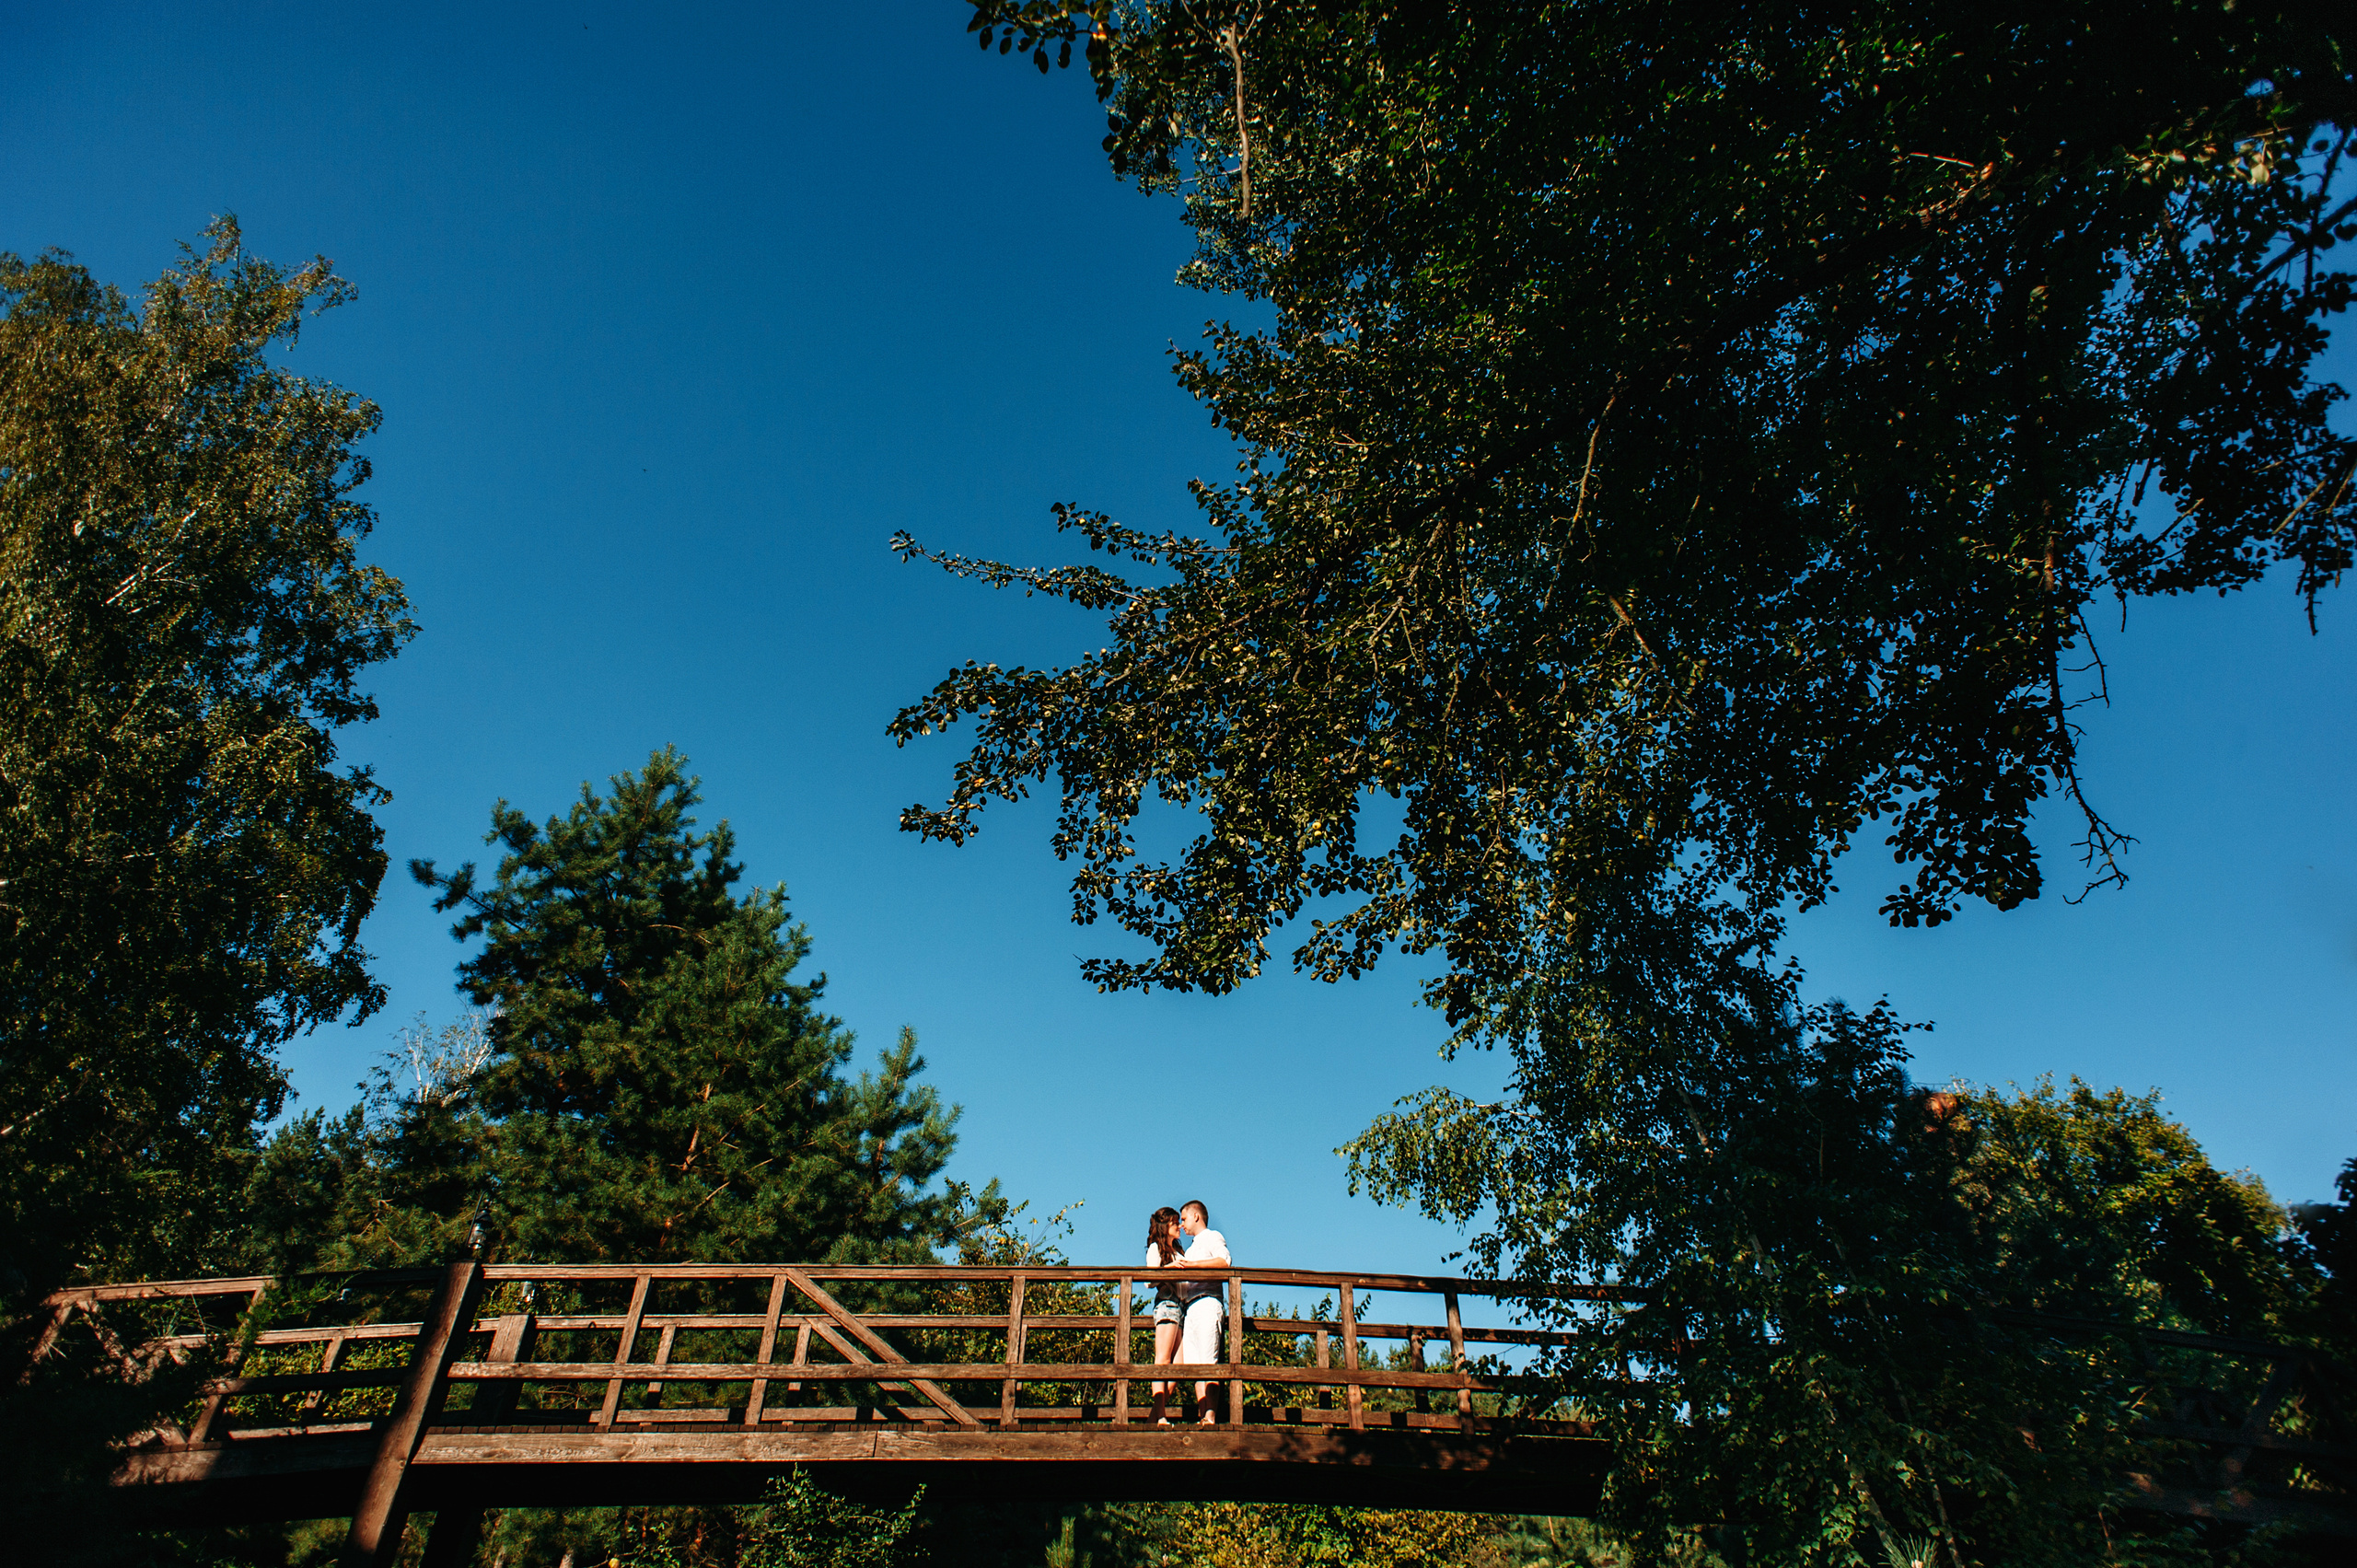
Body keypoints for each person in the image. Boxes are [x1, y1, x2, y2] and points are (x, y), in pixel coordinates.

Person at [1174, 1199, 1230, 1424]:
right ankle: (1202, 1414)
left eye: (1184, 1219)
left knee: (1208, 1360)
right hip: (1191, 1308)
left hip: (1208, 1303)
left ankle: (1211, 1416)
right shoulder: (1192, 1247)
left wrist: (1191, 1266)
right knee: (1195, 1365)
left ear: (1196, 1216)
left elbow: (1224, 1261)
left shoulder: (1211, 1237)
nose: (1181, 1225)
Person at [1143, 1205, 1187, 1424]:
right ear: (1165, 1226)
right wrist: (1171, 1267)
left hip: (1182, 1308)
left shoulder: (1179, 1250)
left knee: (1179, 1366)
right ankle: (1160, 1416)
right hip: (1167, 1304)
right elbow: (1149, 1280)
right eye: (1175, 1222)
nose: (1179, 1226)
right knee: (1163, 1360)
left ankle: (1153, 1416)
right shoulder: (1155, 1249)